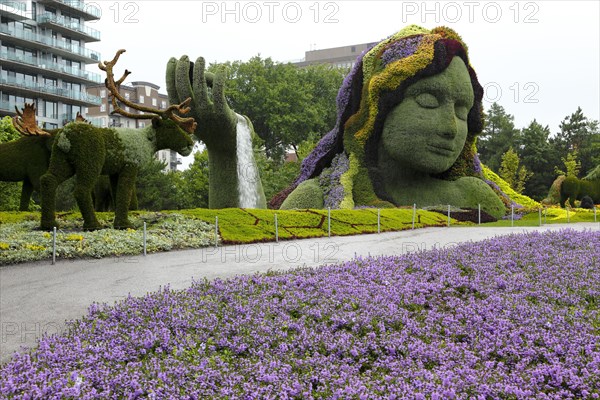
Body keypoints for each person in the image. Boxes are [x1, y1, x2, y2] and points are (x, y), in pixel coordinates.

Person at [167, 25, 505, 218]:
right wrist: (228, 151)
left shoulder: (476, 195)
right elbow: (250, 241)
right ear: (374, 107)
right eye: (428, 101)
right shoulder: (317, 199)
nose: (451, 127)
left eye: (463, 111)